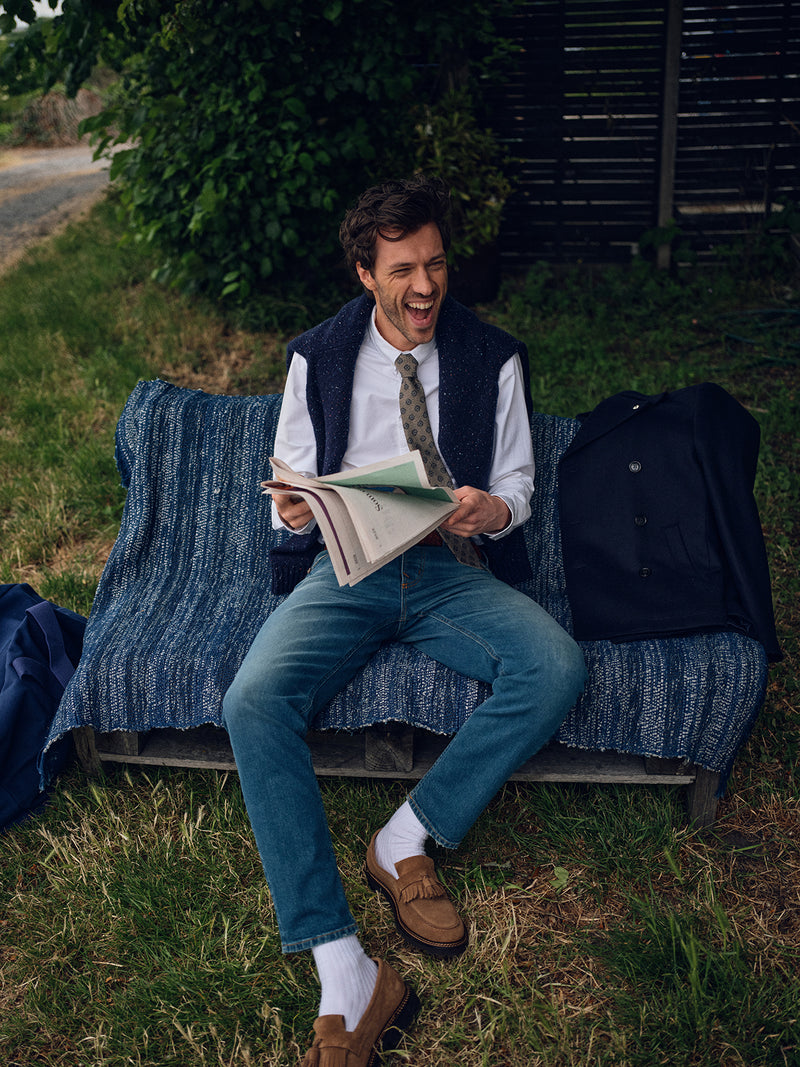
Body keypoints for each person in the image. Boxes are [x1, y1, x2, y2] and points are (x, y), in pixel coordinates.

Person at [222, 175, 587, 1066]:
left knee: (555, 664)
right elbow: (289, 482)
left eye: (436, 264)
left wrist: (490, 511)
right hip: (346, 570)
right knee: (251, 702)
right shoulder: (316, 356)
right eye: (403, 271)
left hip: (444, 568)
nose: (425, 286)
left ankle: (405, 836)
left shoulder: (492, 356)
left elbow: (518, 486)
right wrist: (293, 510)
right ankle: (343, 966)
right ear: (365, 274)